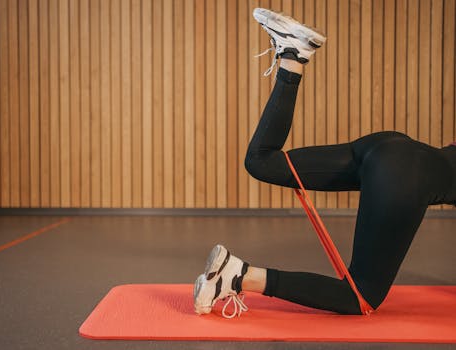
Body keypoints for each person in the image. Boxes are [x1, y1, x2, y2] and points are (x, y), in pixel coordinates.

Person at [193, 8, 456, 318]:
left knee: (262, 162)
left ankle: (294, 55)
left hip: (390, 147)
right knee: (360, 297)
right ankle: (237, 274)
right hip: (404, 174)